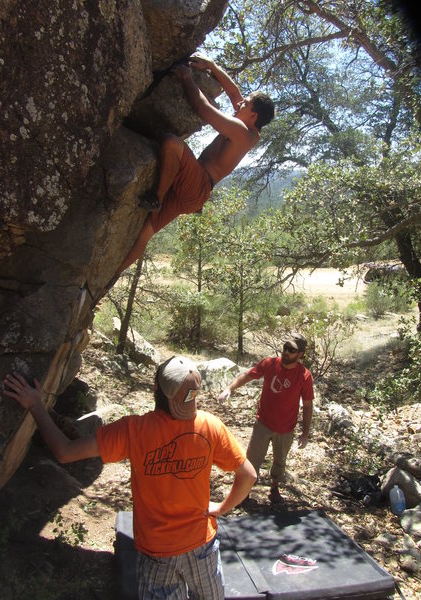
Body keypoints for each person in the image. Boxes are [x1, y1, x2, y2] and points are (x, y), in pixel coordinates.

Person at [3, 356, 256, 599]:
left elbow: (65, 451)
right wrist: (222, 508)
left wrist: (36, 405)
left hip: (158, 553)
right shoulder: (211, 426)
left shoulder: (133, 430)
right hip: (203, 546)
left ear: (156, 388)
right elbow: (248, 474)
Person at [114, 54, 275, 277]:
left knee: (172, 143)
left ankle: (157, 199)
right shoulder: (249, 125)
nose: (240, 102)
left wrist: (187, 77)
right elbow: (234, 92)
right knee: (146, 232)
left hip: (197, 184)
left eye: (246, 104)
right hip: (193, 189)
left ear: (253, 114)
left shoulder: (243, 133)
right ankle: (108, 281)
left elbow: (203, 109)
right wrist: (211, 66)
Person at [218, 332, 314, 503]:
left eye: (291, 350)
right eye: (285, 347)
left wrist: (305, 433)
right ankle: (244, 492)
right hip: (263, 423)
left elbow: (307, 405)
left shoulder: (304, 376)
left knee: (280, 462)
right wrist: (229, 388)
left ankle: (274, 488)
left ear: (300, 355)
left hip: (286, 429)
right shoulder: (270, 363)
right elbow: (248, 375)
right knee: (251, 459)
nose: (286, 352)